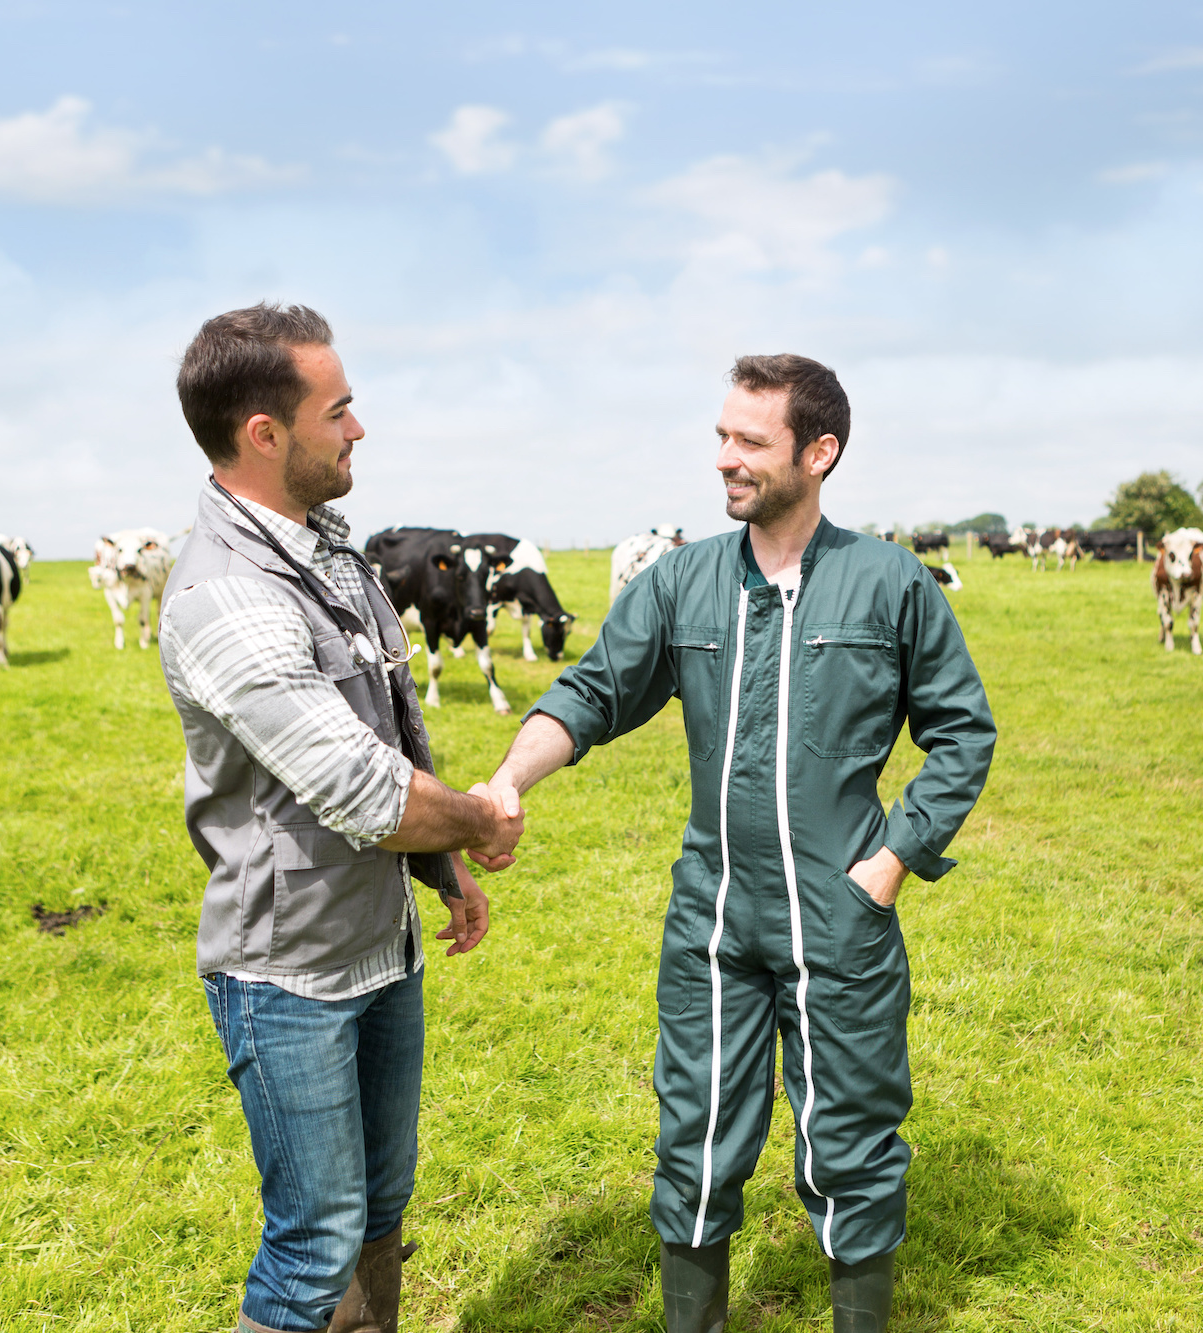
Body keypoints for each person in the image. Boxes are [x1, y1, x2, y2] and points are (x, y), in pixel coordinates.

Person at [478, 355, 995, 1333]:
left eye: (748, 442)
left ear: (819, 452)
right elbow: (592, 692)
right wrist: (510, 776)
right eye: (720, 437)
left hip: (841, 919)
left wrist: (891, 861)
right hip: (712, 918)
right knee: (697, 1134)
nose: (723, 459)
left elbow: (962, 731)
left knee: (850, 1142)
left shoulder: (888, 583)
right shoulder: (682, 582)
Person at [158, 303, 522, 1333]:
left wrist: (440, 871)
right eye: (340, 408)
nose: (358, 428)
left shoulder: (334, 557)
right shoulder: (223, 594)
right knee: (313, 1246)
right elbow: (360, 787)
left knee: (379, 1216)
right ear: (265, 434)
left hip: (378, 948)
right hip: (289, 975)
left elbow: (391, 728)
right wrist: (476, 822)